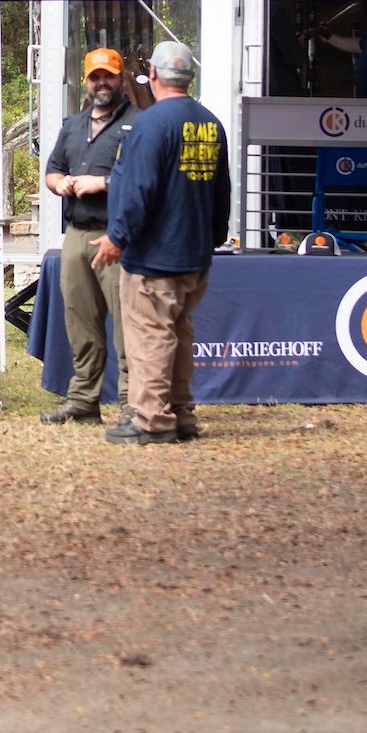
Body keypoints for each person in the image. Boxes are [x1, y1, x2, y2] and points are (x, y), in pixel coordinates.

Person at [93, 40, 230, 446]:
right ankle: (181, 412)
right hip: (194, 254)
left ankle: (152, 420)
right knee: (178, 333)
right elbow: (222, 189)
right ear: (190, 77)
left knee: (150, 336)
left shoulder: (151, 125)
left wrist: (118, 237)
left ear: (152, 75)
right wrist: (213, 237)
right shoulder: (210, 123)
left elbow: (137, 190)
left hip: (155, 256)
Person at [40, 48, 135, 425]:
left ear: (122, 79)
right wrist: (59, 183)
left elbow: (145, 179)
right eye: (95, 77)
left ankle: (133, 402)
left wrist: (105, 182)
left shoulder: (137, 124)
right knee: (80, 322)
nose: (102, 83)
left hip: (117, 235)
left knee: (128, 324)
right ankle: (83, 401)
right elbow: (51, 170)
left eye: (109, 76)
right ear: (86, 80)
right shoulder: (73, 125)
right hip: (77, 234)